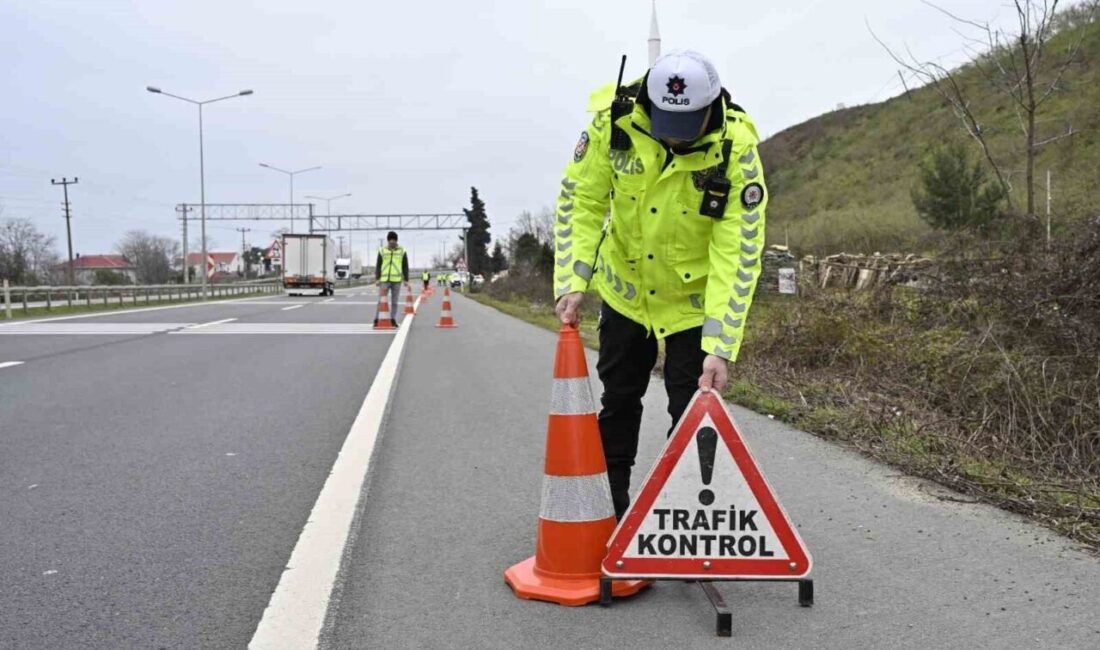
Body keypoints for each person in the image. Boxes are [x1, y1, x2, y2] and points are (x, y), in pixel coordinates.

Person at [553, 50, 768, 519]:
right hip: (626, 291)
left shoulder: (737, 150)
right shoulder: (613, 125)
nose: (674, 133)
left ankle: (682, 521)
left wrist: (720, 345)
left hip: (692, 303)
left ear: (710, 108)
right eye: (667, 119)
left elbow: (739, 250)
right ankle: (609, 514)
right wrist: (574, 279)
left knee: (690, 411)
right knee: (620, 401)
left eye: (687, 122)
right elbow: (581, 200)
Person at [375, 231, 407, 326]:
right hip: (384, 280)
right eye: (390, 240)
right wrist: (377, 278)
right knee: (381, 301)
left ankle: (393, 319)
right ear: (388, 240)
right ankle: (377, 319)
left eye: (394, 240)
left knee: (395, 302)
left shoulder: (402, 251)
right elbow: (378, 265)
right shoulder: (382, 251)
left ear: (396, 241)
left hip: (396, 281)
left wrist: (406, 279)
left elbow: (405, 266)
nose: (392, 241)